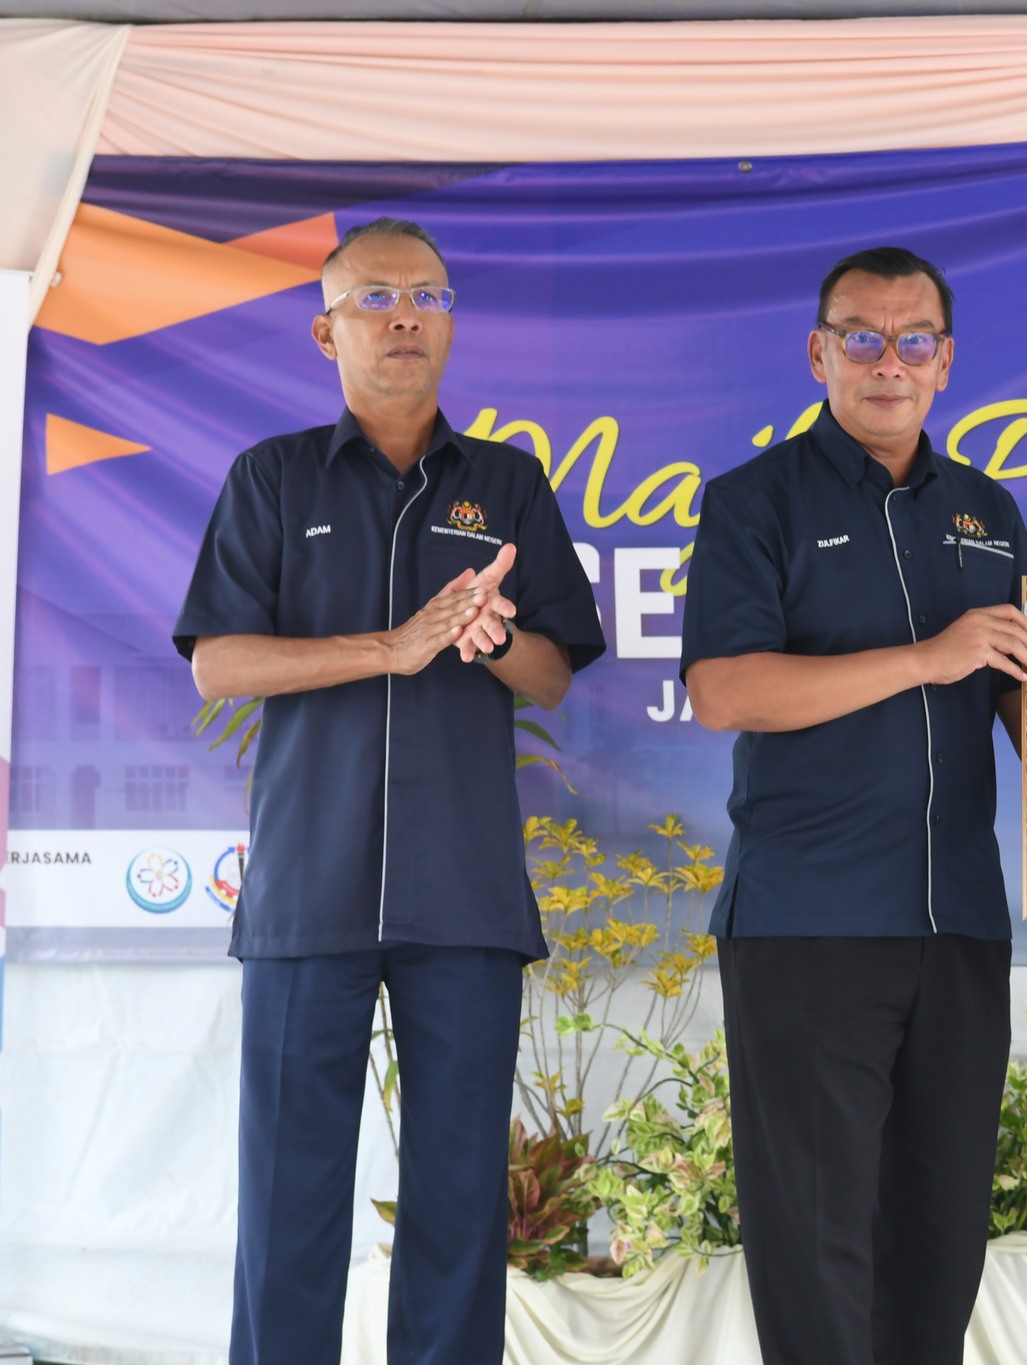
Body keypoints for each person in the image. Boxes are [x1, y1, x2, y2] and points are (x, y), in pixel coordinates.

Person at [174, 217, 606, 1365]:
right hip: (305, 894)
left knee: (460, 1205)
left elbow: (554, 674)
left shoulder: (505, 484)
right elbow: (221, 661)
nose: (404, 315)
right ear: (327, 331)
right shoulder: (271, 478)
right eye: (375, 298)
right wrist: (391, 645)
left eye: (427, 295)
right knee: (286, 1202)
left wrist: (494, 632)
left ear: (453, 322)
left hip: (462, 898)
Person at [680, 246, 1027, 1365]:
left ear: (945, 362)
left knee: (937, 1243)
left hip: (960, 927)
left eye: (913, 340)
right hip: (809, 925)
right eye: (863, 338)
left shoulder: (986, 511)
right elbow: (725, 690)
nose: (889, 362)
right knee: (816, 1240)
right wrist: (926, 658)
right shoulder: (754, 503)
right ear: (819, 353)